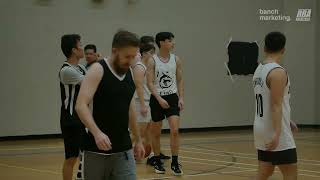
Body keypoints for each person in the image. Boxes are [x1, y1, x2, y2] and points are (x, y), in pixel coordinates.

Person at [75, 30, 145, 180]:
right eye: (127, 56)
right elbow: (80, 105)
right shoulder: (97, 70)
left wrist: (138, 140)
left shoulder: (129, 72)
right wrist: (97, 133)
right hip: (96, 150)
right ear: (115, 51)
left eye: (134, 56)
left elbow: (130, 108)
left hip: (124, 150)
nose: (131, 60)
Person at [253, 31, 298, 180]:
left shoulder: (259, 70)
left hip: (261, 127)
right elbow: (275, 105)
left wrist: (287, 119)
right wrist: (278, 134)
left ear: (265, 48)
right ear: (283, 50)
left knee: (265, 172)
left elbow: (268, 100)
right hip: (275, 130)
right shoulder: (278, 72)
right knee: (290, 174)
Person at [147, 32, 184, 175]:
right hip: (157, 99)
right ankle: (157, 159)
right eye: (170, 40)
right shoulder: (152, 60)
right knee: (156, 132)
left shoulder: (176, 59)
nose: (173, 43)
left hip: (172, 98)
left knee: (175, 130)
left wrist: (181, 98)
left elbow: (180, 79)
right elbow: (149, 83)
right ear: (161, 42)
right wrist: (159, 98)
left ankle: (175, 162)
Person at [59, 34, 87, 180]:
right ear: (74, 50)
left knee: (86, 153)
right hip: (71, 119)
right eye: (80, 45)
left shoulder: (81, 67)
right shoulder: (67, 71)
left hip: (82, 118)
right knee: (71, 157)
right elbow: (90, 84)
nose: (83, 48)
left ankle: (81, 176)